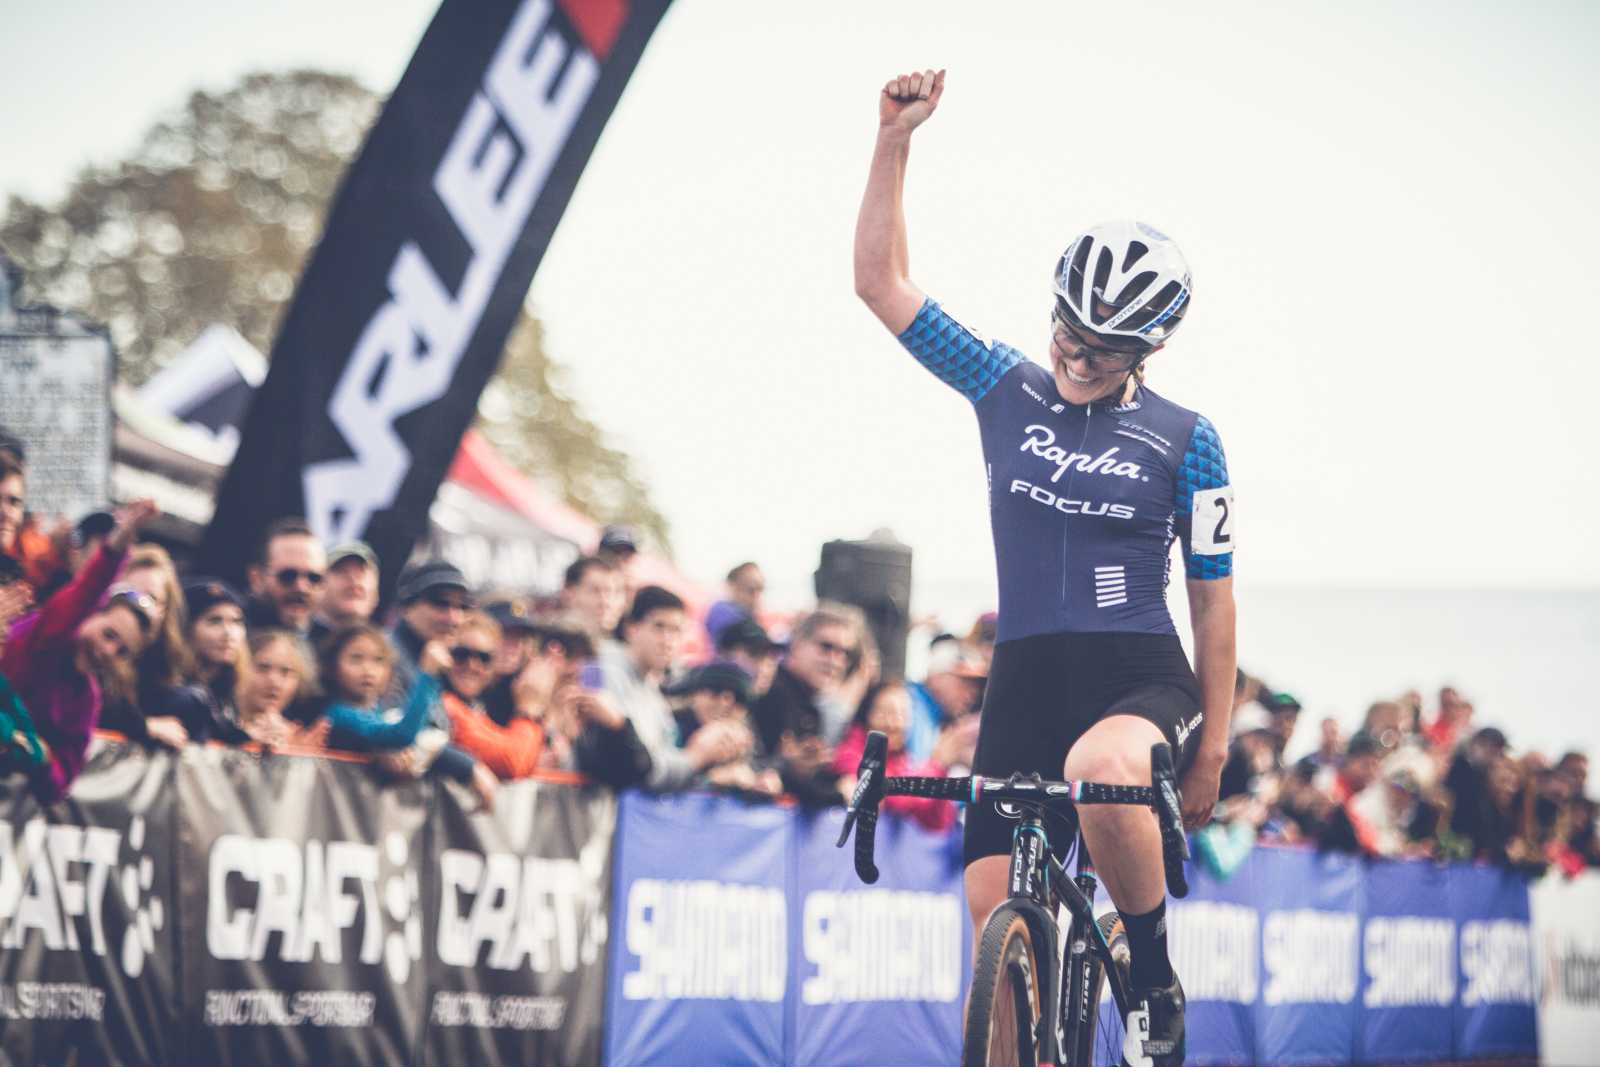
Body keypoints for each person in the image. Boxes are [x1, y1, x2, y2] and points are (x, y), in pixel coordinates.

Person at [854, 69, 1236, 1063]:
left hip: (1135, 674)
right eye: (1070, 327)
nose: (1077, 353)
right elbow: (880, 284)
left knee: (1101, 767)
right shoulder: (1002, 384)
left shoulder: (1188, 440)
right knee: (996, 945)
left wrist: (1211, 748)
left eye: (1106, 348)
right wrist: (894, 139)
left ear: (1146, 347)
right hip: (1024, 679)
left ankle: (1149, 974)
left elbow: (1212, 597)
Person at [0, 499, 160, 801]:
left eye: (123, 651)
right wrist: (119, 542)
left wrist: (43, 756)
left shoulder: (86, 698)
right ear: (89, 615)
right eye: (109, 634)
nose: (108, 651)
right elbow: (88, 588)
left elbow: (62, 780)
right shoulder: (49, 638)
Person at [313, 624, 496, 809]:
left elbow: (415, 737)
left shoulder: (376, 713)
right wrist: (428, 674)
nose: (368, 670)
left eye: (378, 660)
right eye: (356, 659)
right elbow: (401, 735)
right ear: (332, 667)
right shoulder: (338, 714)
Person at [598, 585, 747, 792]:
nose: (667, 641)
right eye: (659, 627)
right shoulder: (604, 670)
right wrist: (697, 756)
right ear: (631, 629)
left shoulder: (652, 689)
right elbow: (640, 770)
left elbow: (660, 767)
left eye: (676, 630)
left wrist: (710, 776)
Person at [833, 681, 960, 832]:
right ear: (866, 714)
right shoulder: (848, 755)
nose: (895, 723)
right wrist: (936, 764)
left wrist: (943, 772)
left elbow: (936, 823)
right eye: (885, 713)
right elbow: (892, 795)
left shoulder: (904, 762)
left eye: (903, 714)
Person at [440, 611, 544, 779]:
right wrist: (528, 711)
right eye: (461, 654)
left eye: (484, 658)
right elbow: (511, 762)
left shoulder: (475, 708)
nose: (472, 666)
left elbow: (524, 761)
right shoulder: (446, 704)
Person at [236, 629, 322, 748]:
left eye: (286, 671)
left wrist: (299, 754)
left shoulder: (298, 740)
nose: (274, 682)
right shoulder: (216, 725)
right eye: (263, 667)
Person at [245, 517, 327, 639]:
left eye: (313, 578)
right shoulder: (233, 641)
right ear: (257, 579)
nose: (301, 588)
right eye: (288, 576)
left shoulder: (332, 645)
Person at [309, 541, 380, 648]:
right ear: (318, 585)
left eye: (361, 572)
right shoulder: (297, 648)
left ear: (376, 594)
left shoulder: (391, 654)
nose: (353, 579)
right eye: (341, 571)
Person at [561, 556, 626, 647]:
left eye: (617, 592)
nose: (606, 602)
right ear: (569, 595)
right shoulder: (549, 647)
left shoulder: (626, 653)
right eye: (595, 591)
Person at [703, 562, 765, 646]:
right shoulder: (722, 612)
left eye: (760, 589)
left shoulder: (749, 617)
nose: (757, 596)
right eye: (751, 589)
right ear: (733, 587)